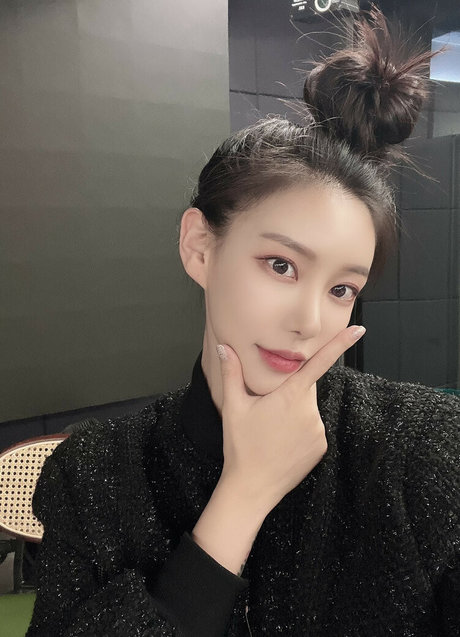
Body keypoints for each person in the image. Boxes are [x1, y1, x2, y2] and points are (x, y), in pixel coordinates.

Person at [26, 6, 459, 636]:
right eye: (281, 265)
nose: (309, 321)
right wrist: (244, 493)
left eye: (342, 289)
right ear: (200, 247)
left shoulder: (425, 449)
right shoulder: (95, 474)